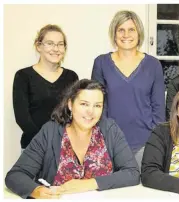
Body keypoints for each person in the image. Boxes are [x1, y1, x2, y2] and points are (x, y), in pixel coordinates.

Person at [5, 79, 140, 199]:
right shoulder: (50, 131)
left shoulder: (110, 129)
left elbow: (132, 173)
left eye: (97, 105)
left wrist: (88, 184)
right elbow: (15, 175)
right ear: (70, 104)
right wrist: (37, 190)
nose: (90, 112)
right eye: (84, 104)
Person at [91, 10, 165, 169]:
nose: (126, 34)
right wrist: (104, 137)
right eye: (121, 30)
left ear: (139, 33)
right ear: (114, 33)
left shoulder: (153, 65)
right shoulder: (101, 63)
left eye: (131, 29)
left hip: (145, 144)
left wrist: (155, 139)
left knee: (144, 192)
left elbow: (159, 109)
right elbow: (97, 105)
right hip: (110, 144)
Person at [13, 24, 79, 150]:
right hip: (33, 147)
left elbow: (74, 114)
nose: (56, 49)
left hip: (65, 148)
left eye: (60, 44)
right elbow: (22, 118)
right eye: (50, 43)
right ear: (39, 46)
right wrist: (45, 143)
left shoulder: (71, 77)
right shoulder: (23, 76)